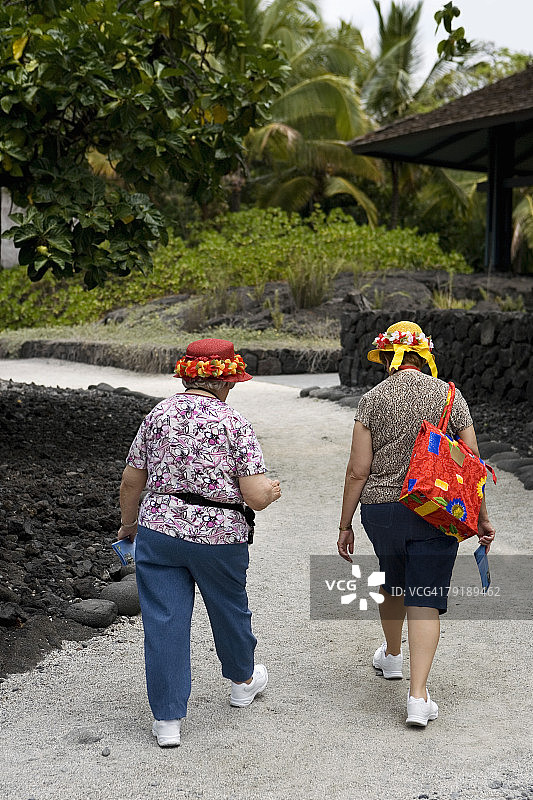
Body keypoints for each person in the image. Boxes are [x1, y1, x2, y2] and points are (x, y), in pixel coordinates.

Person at [118, 338, 281, 747]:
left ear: (187, 375)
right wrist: (272, 491)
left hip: (160, 531)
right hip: (220, 536)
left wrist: (128, 525)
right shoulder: (233, 422)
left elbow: (131, 480)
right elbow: (256, 496)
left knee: (164, 621)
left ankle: (167, 721)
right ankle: (243, 681)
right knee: (229, 608)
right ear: (226, 382)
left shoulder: (157, 415)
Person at [337, 321, 495, 727]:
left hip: (381, 510)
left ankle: (392, 658)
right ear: (424, 357)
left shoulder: (371, 399)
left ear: (388, 358)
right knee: (423, 596)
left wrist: (345, 524)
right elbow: (471, 462)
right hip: (436, 508)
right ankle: (417, 698)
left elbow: (358, 470)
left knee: (392, 579)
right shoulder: (449, 396)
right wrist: (481, 517)